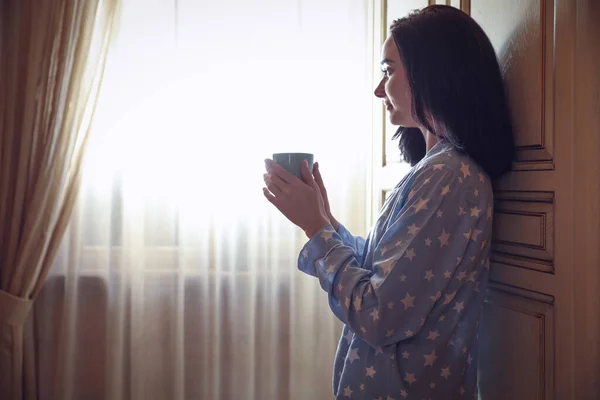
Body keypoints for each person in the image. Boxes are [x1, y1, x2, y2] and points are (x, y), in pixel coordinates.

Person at [262, 5, 515, 399]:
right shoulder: (434, 171)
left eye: (389, 70)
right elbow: (386, 273)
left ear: (431, 73)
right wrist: (324, 219)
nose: (379, 89)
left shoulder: (449, 177)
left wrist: (316, 228)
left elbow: (377, 314)